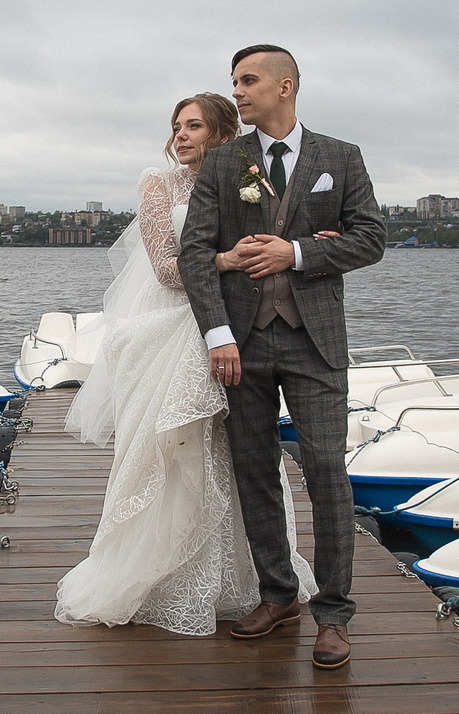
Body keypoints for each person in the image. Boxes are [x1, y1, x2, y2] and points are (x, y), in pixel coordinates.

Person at [55, 92, 319, 634]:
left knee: (238, 451)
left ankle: (248, 577)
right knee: (165, 451)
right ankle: (159, 575)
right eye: (176, 126)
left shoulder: (246, 178)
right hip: (169, 325)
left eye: (194, 126)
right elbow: (165, 267)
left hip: (233, 324)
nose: (180, 135)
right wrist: (224, 259)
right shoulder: (159, 184)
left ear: (222, 133)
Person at [178, 44, 386, 668]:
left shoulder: (339, 158)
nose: (237, 92)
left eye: (248, 81)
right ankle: (277, 594)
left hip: (314, 340)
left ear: (286, 86)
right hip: (240, 339)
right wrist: (218, 335)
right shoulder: (223, 162)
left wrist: (297, 254)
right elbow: (194, 254)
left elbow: (371, 238)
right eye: (234, 82)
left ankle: (335, 615)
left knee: (327, 470)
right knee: (254, 469)